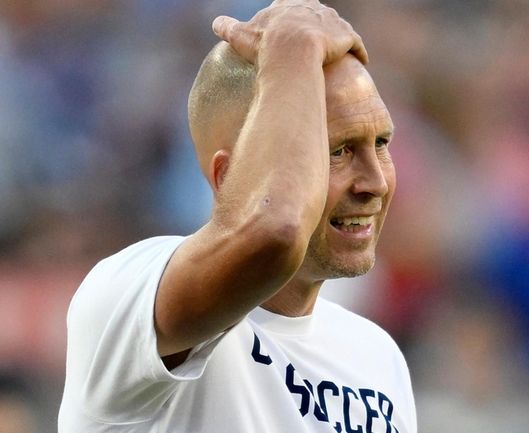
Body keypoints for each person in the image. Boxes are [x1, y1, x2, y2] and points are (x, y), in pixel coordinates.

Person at [58, 1, 417, 432]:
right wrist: (294, 44)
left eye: (380, 143)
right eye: (335, 152)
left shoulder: (377, 357)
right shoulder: (126, 293)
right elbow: (275, 230)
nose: (375, 182)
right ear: (230, 176)